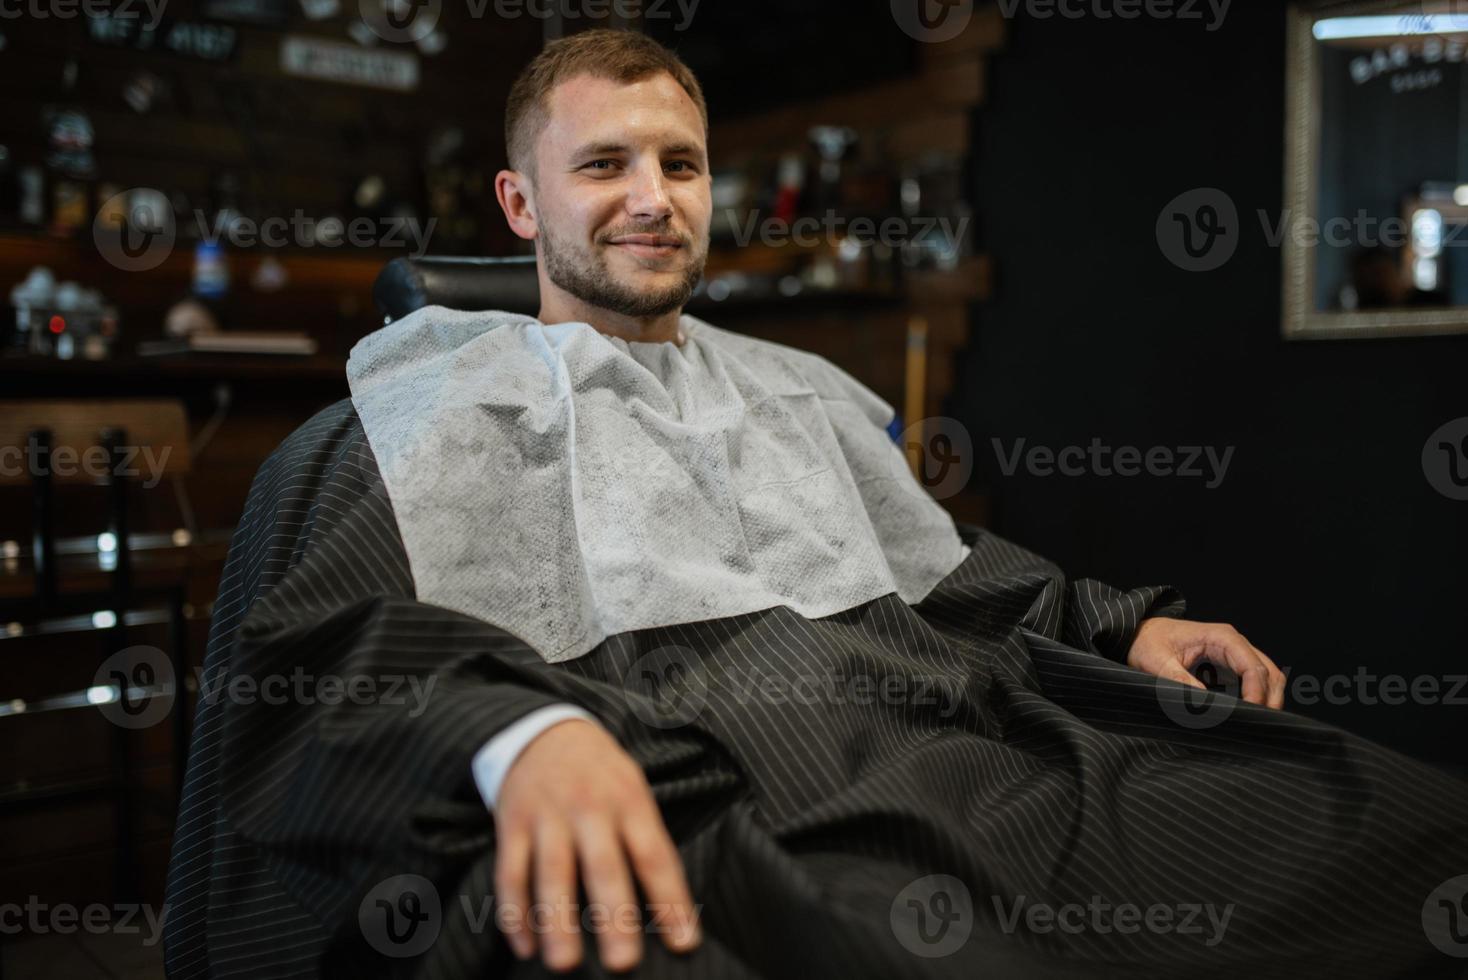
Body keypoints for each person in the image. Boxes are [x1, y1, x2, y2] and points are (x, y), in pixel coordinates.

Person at [164, 29, 1468, 980]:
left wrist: (1120, 626)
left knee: (1389, 820)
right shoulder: (438, 409)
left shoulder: (794, 391)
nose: (649, 197)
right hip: (739, 795)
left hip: (957, 747)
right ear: (520, 201)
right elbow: (323, 649)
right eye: (603, 163)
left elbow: (944, 568)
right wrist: (515, 734)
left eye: (679, 164)